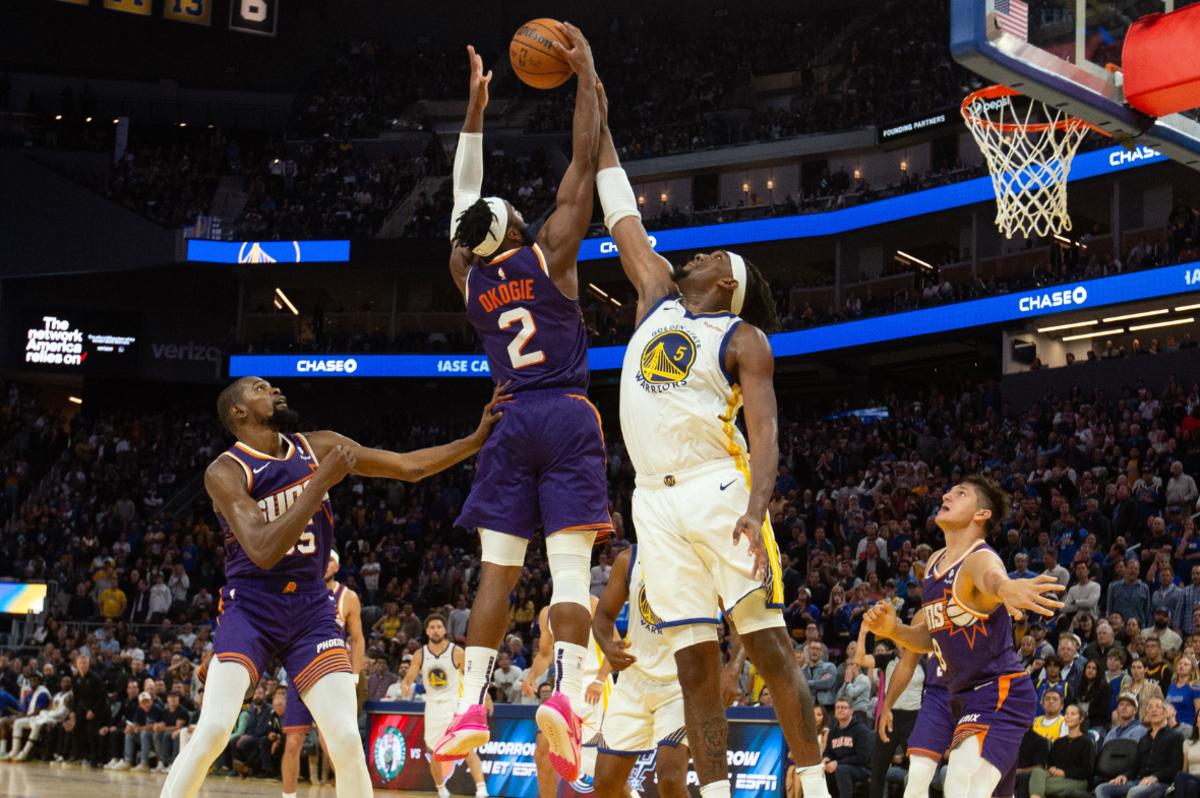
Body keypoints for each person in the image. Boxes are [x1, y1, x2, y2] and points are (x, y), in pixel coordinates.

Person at [593, 80, 831, 798]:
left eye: (714, 256)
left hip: (715, 493)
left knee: (766, 643)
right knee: (694, 664)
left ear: (728, 282)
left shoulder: (743, 336)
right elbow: (621, 210)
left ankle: (815, 786)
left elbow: (765, 435)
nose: (699, 256)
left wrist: (756, 510)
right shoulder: (657, 294)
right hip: (651, 505)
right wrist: (592, 99)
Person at [161, 375, 506, 798]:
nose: (274, 391)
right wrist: (320, 482)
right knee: (214, 729)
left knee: (344, 737)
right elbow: (263, 550)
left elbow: (407, 466)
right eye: (260, 389)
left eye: (272, 387)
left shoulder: (318, 445)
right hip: (251, 608)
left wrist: (476, 439)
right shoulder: (226, 470)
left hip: (311, 610)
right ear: (238, 412)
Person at [434, 36, 613, 783]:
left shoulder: (465, 275)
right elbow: (584, 162)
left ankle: (469, 703)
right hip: (565, 414)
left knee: (496, 577)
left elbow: (458, 205)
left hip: (506, 421)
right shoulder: (550, 252)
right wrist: (586, 76)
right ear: (515, 229)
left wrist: (474, 116)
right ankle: (567, 696)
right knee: (571, 575)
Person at [862, 476, 1064, 798]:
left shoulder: (978, 558)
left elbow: (993, 577)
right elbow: (930, 637)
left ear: (981, 514)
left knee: (961, 783)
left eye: (960, 493)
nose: (946, 494)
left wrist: (1006, 587)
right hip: (960, 694)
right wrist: (894, 631)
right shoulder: (933, 563)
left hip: (998, 690)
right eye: (949, 490)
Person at [590, 545, 689, 798]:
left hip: (680, 683)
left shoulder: (697, 553)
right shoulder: (628, 559)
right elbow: (602, 616)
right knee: (605, 784)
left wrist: (732, 667)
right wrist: (608, 646)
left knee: (669, 779)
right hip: (633, 681)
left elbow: (735, 613)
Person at [280, 550, 368, 798]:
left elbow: (358, 639)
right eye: (322, 559)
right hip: (300, 673)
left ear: (337, 566)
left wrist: (355, 675)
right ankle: (288, 796)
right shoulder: (298, 591)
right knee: (293, 742)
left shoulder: (348, 597)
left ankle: (348, 792)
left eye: (330, 560)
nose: (325, 564)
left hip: (332, 674)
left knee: (334, 742)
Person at [521, 599, 611, 796]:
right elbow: (545, 655)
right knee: (543, 752)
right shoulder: (547, 612)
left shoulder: (594, 603)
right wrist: (531, 677)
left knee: (603, 764)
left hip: (594, 686)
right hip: (563, 690)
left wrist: (601, 679)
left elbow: (613, 645)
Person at [396, 614, 488, 798]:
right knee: (433, 751)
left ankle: (481, 789)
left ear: (445, 630)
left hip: (454, 704)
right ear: (427, 631)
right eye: (432, 627)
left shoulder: (457, 652)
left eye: (439, 626)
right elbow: (409, 678)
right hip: (432, 706)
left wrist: (486, 698)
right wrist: (405, 686)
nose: (436, 630)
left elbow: (473, 678)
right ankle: (441, 789)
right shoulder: (420, 654)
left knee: (467, 747)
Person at [1095, 697, 1182, 798]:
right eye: (1150, 707)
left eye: (1158, 707)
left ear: (1166, 712)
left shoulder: (1176, 737)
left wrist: (1155, 777)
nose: (1153, 710)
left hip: (1161, 783)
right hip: (1139, 781)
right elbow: (1134, 766)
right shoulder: (1144, 738)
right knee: (1102, 789)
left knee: (1134, 792)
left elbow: (1175, 767)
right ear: (1147, 714)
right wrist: (1125, 776)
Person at [1027, 704, 1093, 798]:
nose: (1068, 716)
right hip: (1055, 777)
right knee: (1037, 772)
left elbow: (1087, 770)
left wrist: (1064, 773)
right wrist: (1052, 768)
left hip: (1077, 780)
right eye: (1066, 714)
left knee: (1038, 785)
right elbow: (1050, 762)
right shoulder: (1058, 742)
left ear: (1081, 719)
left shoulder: (1087, 743)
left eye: (1073, 714)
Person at [6, 675, 71, 762]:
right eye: (63, 681)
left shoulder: (70, 695)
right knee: (18, 722)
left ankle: (25, 753)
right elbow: (49, 707)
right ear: (60, 683)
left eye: (67, 682)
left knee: (37, 724)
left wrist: (47, 714)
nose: (65, 683)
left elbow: (64, 712)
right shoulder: (57, 694)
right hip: (47, 716)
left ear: (71, 684)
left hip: (56, 719)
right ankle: (14, 751)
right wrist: (45, 712)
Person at [823, 698, 873, 798]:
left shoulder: (861, 730)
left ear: (851, 711)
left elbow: (862, 757)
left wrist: (837, 763)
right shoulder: (833, 732)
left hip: (862, 768)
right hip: (841, 766)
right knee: (823, 770)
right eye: (837, 708)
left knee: (841, 770)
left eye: (843, 707)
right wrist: (826, 759)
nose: (840, 710)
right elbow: (828, 752)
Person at [1167, 653, 1200, 733]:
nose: (1182, 666)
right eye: (1180, 664)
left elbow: (1198, 711)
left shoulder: (1196, 687)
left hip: (1187, 728)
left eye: (1186, 664)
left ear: (1192, 669)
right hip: (1170, 727)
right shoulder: (1172, 686)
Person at [1174, 722, 1200, 798]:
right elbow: (1185, 768)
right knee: (1186, 780)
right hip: (1191, 777)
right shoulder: (1188, 743)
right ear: (1196, 722)